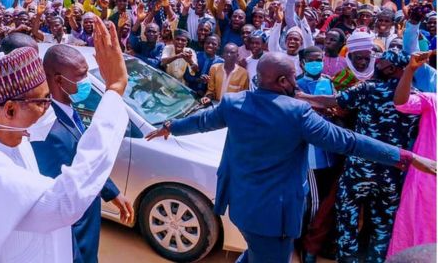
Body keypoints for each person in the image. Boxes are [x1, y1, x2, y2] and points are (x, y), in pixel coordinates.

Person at [145, 51, 435, 262]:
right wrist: (406, 156)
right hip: (274, 220)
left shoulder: (233, 103)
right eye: (294, 76)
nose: (297, 79)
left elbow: (202, 120)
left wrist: (169, 127)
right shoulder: (298, 114)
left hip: (242, 207)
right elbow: (348, 141)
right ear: (283, 81)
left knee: (255, 254)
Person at [0, 20, 130, 263]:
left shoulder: (16, 140)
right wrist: (115, 89)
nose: (48, 109)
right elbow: (63, 203)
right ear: (11, 110)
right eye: (42, 102)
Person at [298, 50, 421, 262]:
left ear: (390, 68)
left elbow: (332, 102)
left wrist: (302, 97)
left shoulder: (368, 89)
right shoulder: (416, 98)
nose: (375, 64)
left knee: (347, 221)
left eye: (380, 61)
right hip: (392, 174)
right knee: (382, 227)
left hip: (359, 171)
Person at [31, 44, 134, 262]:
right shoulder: (48, 129)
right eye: (81, 75)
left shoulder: (68, 108)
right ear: (59, 80)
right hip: (76, 238)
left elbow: (83, 160)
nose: (87, 80)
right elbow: (59, 202)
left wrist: (112, 193)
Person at [387, 51, 436, 257]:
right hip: (426, 183)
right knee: (416, 238)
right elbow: (401, 103)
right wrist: (409, 71)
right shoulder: (433, 101)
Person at [296, 47, 340, 263]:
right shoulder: (296, 84)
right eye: (312, 60)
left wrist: (329, 109)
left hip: (329, 150)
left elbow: (333, 104)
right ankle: (306, 247)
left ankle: (320, 244)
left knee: (327, 202)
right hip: (311, 154)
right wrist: (320, 107)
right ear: (302, 63)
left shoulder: (328, 80)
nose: (317, 63)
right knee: (313, 203)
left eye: (319, 60)